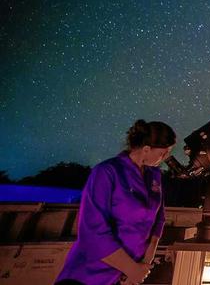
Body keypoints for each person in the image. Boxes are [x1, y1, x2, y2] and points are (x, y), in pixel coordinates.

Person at [55, 119, 176, 285]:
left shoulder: (154, 176)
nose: (165, 158)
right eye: (163, 153)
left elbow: (158, 220)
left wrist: (143, 265)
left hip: (124, 276)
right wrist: (131, 268)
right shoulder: (107, 172)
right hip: (89, 274)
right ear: (146, 149)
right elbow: (93, 231)